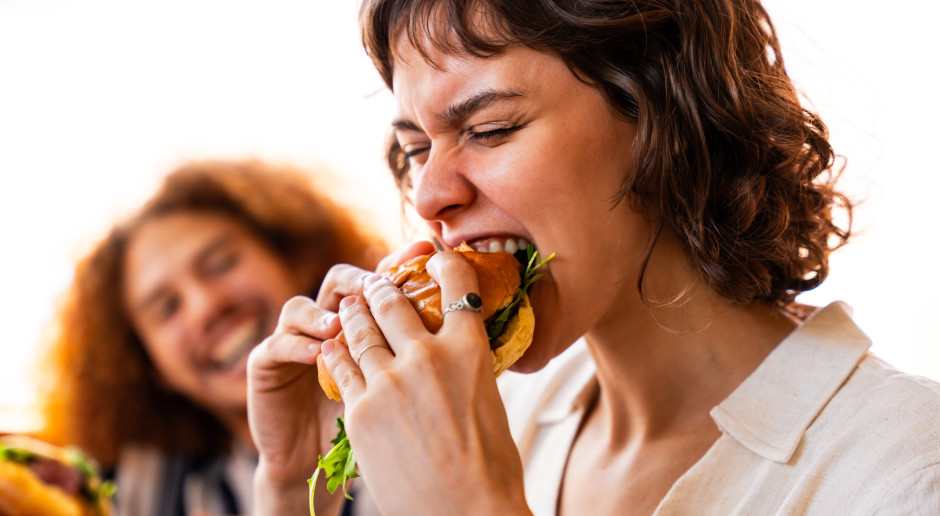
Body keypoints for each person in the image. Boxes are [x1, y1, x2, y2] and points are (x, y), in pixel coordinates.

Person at [247, 0, 940, 514]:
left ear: (666, 119)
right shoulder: (498, 405)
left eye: (491, 129)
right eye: (417, 147)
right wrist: (291, 481)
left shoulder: (903, 469)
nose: (429, 194)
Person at [36, 159, 386, 516]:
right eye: (167, 308)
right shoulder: (137, 496)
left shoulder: (419, 404)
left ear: (293, 258)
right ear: (150, 366)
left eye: (221, 264)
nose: (206, 306)